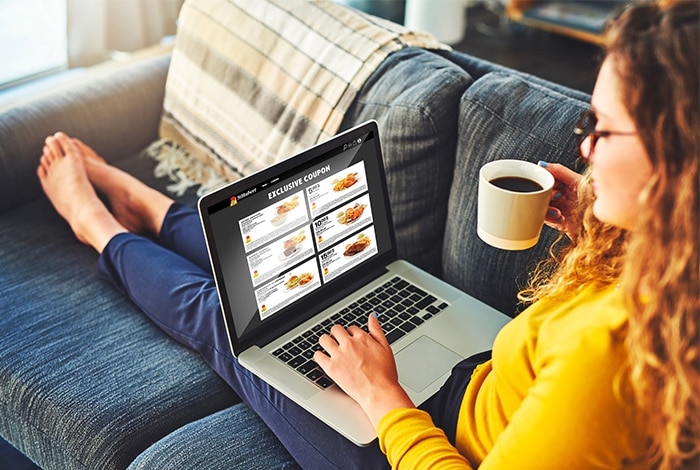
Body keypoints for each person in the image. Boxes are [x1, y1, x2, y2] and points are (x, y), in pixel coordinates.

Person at [37, 2, 698, 468]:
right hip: (475, 390)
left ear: (679, 162)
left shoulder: (615, 357)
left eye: (604, 132)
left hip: (416, 444)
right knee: (263, 289)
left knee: (236, 331)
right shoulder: (673, 261)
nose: (583, 148)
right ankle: (151, 206)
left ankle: (96, 227)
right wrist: (596, 219)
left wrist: (383, 397)